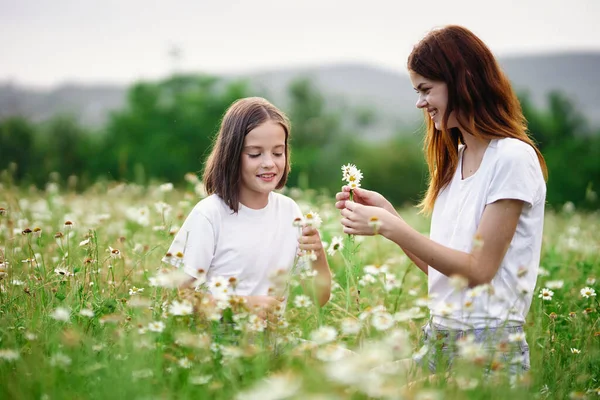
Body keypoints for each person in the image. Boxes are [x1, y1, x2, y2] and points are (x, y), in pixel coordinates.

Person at [336, 25, 547, 376]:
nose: (420, 102)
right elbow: (447, 272)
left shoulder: (512, 158)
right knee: (352, 378)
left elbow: (479, 270)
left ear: (462, 82)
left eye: (426, 90)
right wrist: (389, 218)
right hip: (439, 336)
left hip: (488, 347)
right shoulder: (456, 162)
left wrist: (392, 228)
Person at [164, 97, 332, 317]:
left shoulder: (290, 212)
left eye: (278, 153)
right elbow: (181, 295)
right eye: (255, 154)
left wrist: (317, 253)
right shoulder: (210, 214)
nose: (269, 163)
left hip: (271, 346)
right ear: (232, 155)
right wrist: (243, 305)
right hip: (218, 346)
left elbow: (319, 298)